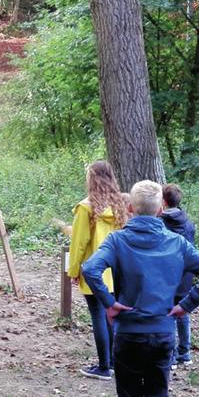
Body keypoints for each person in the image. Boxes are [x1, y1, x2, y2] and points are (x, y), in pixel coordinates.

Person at [82, 180, 199, 397]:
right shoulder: (177, 243)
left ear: (129, 208)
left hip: (128, 334)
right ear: (161, 209)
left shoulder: (117, 241)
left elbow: (90, 268)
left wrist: (109, 302)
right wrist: (185, 305)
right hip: (162, 333)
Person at [67, 160, 130, 380]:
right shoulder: (120, 206)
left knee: (98, 317)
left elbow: (79, 243)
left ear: (92, 178)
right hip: (115, 272)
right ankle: (113, 362)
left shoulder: (86, 208)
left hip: (95, 272)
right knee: (110, 317)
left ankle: (104, 366)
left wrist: (73, 270)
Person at [159, 183, 197, 368]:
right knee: (183, 311)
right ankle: (185, 353)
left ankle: (172, 356)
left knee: (168, 313)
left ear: (163, 202)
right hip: (186, 274)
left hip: (168, 275)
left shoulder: (161, 222)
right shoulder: (187, 221)